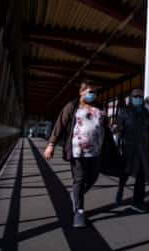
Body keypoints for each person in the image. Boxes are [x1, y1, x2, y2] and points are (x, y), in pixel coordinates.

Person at [44, 81, 105, 228]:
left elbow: (103, 128)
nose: (93, 95)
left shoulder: (98, 107)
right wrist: (51, 144)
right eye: (90, 92)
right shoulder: (72, 106)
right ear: (81, 92)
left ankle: (76, 195)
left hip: (95, 151)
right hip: (78, 151)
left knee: (93, 177)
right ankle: (79, 211)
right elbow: (60, 124)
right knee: (79, 178)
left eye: (94, 92)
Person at [115, 88, 149, 213]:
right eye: (135, 96)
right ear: (131, 98)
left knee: (141, 175)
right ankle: (121, 188)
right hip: (128, 147)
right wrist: (118, 145)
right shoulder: (124, 111)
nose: (138, 98)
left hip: (142, 148)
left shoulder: (146, 112)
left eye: (140, 96)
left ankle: (138, 202)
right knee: (125, 172)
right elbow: (119, 129)